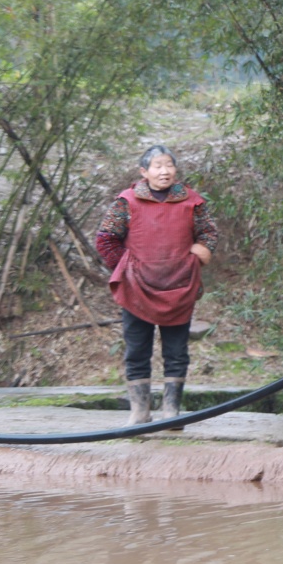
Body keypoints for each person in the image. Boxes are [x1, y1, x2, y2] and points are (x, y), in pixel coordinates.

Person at [94, 145, 218, 427]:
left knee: (176, 352)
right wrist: (126, 268)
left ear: (175, 170)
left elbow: (209, 233)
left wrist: (197, 256)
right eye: (157, 166)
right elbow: (105, 239)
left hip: (179, 288)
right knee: (137, 349)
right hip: (136, 289)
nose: (164, 171)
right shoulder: (126, 202)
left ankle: (171, 412)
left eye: (169, 165)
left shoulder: (192, 202)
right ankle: (140, 412)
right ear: (144, 172)